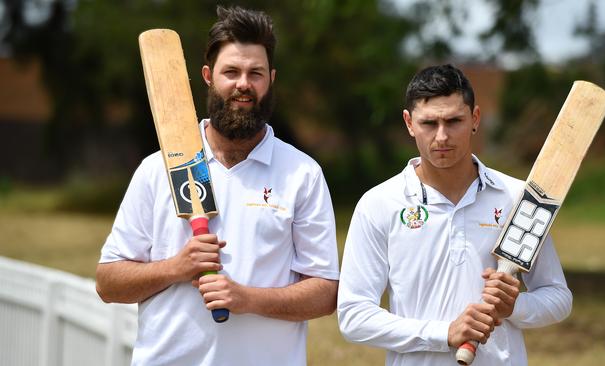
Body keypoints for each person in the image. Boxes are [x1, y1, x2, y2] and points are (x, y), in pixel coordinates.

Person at [96, 6, 339, 366]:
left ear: (271, 78)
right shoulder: (156, 169)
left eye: (255, 73)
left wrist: (247, 299)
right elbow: (108, 283)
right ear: (208, 76)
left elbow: (325, 294)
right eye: (232, 72)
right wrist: (176, 267)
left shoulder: (302, 174)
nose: (244, 83)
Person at [337, 64, 572, 365]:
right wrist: (443, 333)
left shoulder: (518, 198)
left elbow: (558, 297)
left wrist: (514, 307)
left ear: (475, 118)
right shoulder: (379, 204)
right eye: (429, 123)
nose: (442, 136)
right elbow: (354, 316)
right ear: (409, 123)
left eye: (454, 121)